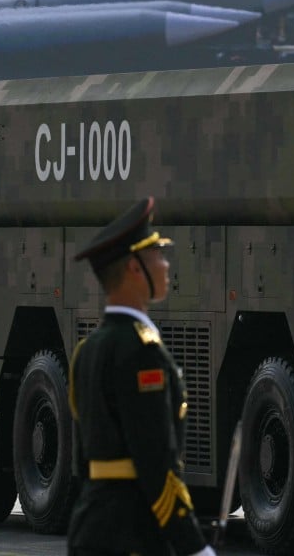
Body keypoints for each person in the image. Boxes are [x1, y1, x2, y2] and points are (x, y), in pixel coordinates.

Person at [67, 197, 215, 556]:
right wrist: (194, 547)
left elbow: (85, 460)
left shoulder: (87, 350)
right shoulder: (141, 352)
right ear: (135, 267)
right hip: (133, 533)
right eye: (157, 255)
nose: (166, 265)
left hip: (90, 528)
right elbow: (155, 461)